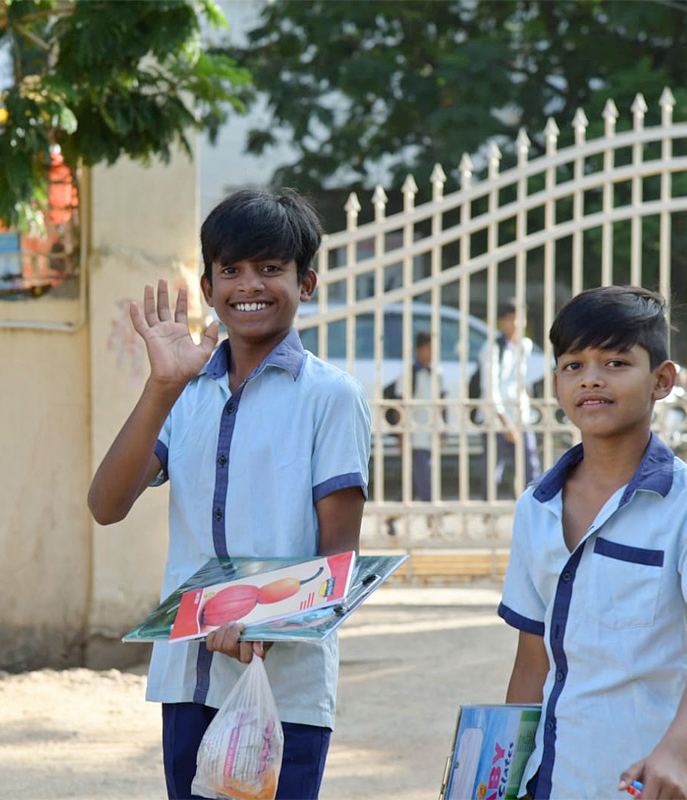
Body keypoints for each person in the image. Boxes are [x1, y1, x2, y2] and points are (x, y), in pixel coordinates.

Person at [88, 189, 371, 799]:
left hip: (284, 689)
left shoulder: (331, 397)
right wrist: (162, 386)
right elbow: (106, 505)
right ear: (210, 286)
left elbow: (337, 562)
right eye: (232, 270)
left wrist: (264, 622)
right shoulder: (184, 394)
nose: (251, 285)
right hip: (188, 679)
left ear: (308, 282)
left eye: (271, 269)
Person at [498, 286, 687, 799]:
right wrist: (500, 779)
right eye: (573, 364)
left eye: (616, 362)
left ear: (662, 380)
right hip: (558, 780)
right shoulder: (535, 508)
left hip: (662, 781)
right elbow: (531, 663)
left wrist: (677, 751)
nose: (592, 378)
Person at [479, 298, 541, 495]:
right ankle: (488, 516)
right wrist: (504, 420)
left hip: (521, 415)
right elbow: (489, 387)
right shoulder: (492, 348)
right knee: (493, 470)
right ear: (502, 321)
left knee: (530, 465)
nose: (516, 324)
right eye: (511, 319)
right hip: (497, 418)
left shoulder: (525, 345)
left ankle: (534, 507)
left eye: (519, 318)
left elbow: (524, 381)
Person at [384, 331, 441, 502]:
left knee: (415, 481)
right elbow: (400, 407)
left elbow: (442, 404)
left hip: (430, 432)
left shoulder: (437, 373)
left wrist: (443, 431)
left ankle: (392, 515)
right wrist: (402, 435)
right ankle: (433, 517)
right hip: (414, 435)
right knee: (424, 477)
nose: (432, 353)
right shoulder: (409, 374)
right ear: (419, 350)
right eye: (429, 349)